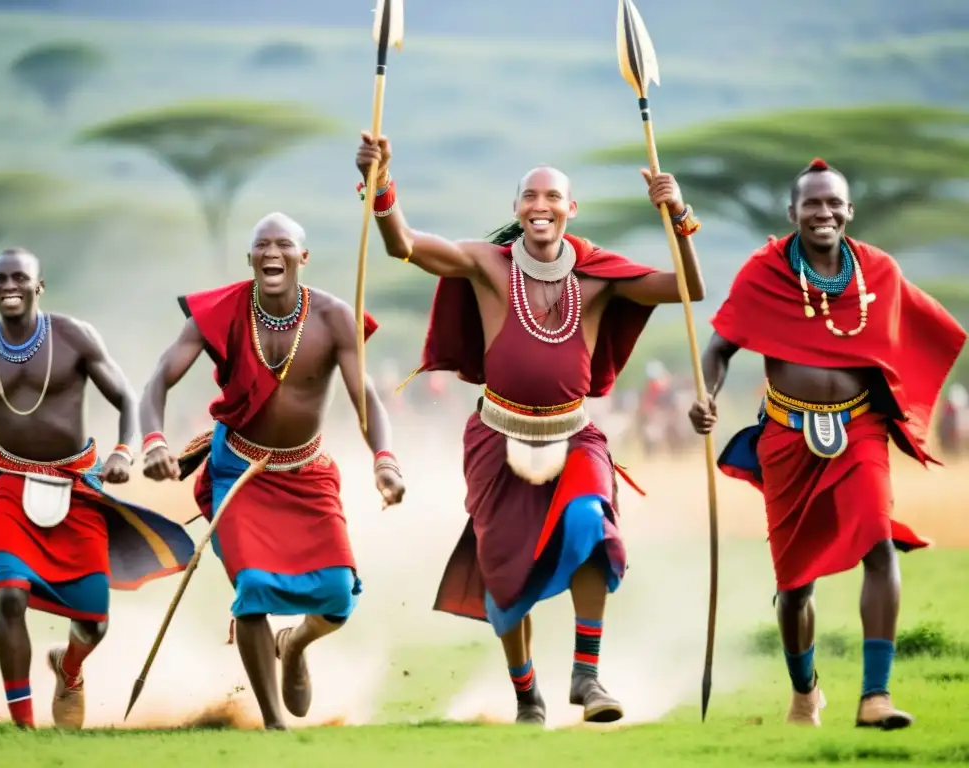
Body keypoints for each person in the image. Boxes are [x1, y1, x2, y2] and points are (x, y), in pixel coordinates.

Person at [355, 132, 705, 725]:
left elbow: (689, 288)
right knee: (505, 573)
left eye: (553, 197)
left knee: (592, 523)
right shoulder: (488, 265)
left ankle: (587, 676)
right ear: (516, 208)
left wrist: (678, 214)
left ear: (572, 209)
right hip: (497, 437)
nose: (540, 206)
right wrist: (381, 183)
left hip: (575, 437)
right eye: (529, 197)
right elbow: (405, 246)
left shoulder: (598, 276)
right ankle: (527, 697)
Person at [690, 159, 967, 729]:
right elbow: (718, 348)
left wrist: (901, 399)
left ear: (849, 210)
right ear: (792, 213)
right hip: (787, 438)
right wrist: (707, 395)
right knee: (794, 586)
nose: (824, 213)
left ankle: (875, 696)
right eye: (811, 204)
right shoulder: (765, 272)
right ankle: (804, 692)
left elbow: (925, 330)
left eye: (833, 202)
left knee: (879, 544)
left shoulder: (877, 273)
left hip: (859, 430)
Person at [138, 212, 405, 730]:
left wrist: (385, 461)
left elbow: (364, 396)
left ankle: (297, 642)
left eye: (284, 245)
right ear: (250, 259)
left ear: (303, 258)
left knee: (335, 595)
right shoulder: (218, 313)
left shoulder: (333, 318)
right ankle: (274, 723)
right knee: (254, 588)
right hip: (237, 470)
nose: (272, 254)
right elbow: (158, 381)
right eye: (262, 246)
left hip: (306, 471)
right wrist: (152, 442)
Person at [0, 248, 195, 730]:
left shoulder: (74, 337)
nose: (10, 285)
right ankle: (22, 726)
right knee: (10, 596)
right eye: (1, 279)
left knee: (94, 622)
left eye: (22, 278)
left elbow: (125, 396)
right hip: (11, 486)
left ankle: (70, 665)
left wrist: (124, 451)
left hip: (77, 483)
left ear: (40, 287)